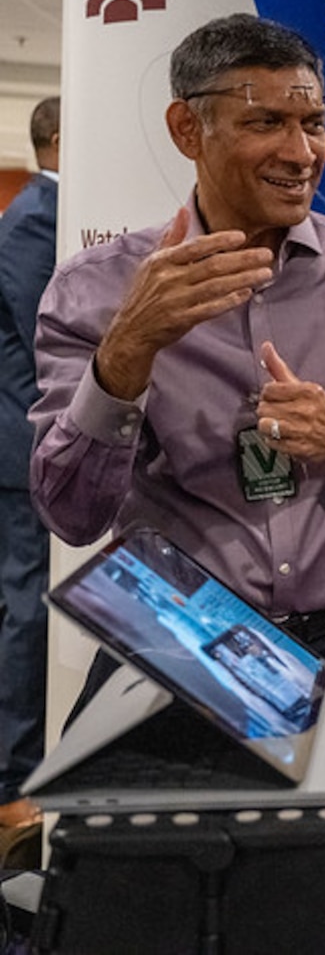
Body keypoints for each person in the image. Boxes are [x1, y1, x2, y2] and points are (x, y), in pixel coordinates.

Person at [30, 15, 325, 850]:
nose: (300, 151)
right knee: (166, 917)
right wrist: (126, 355)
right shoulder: (98, 290)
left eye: (312, 122)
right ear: (187, 128)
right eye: (265, 121)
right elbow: (70, 513)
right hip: (183, 646)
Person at [0, 96, 60, 827]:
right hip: (28, 454)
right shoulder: (34, 220)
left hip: (30, 449)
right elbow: (51, 346)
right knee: (28, 611)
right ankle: (16, 779)